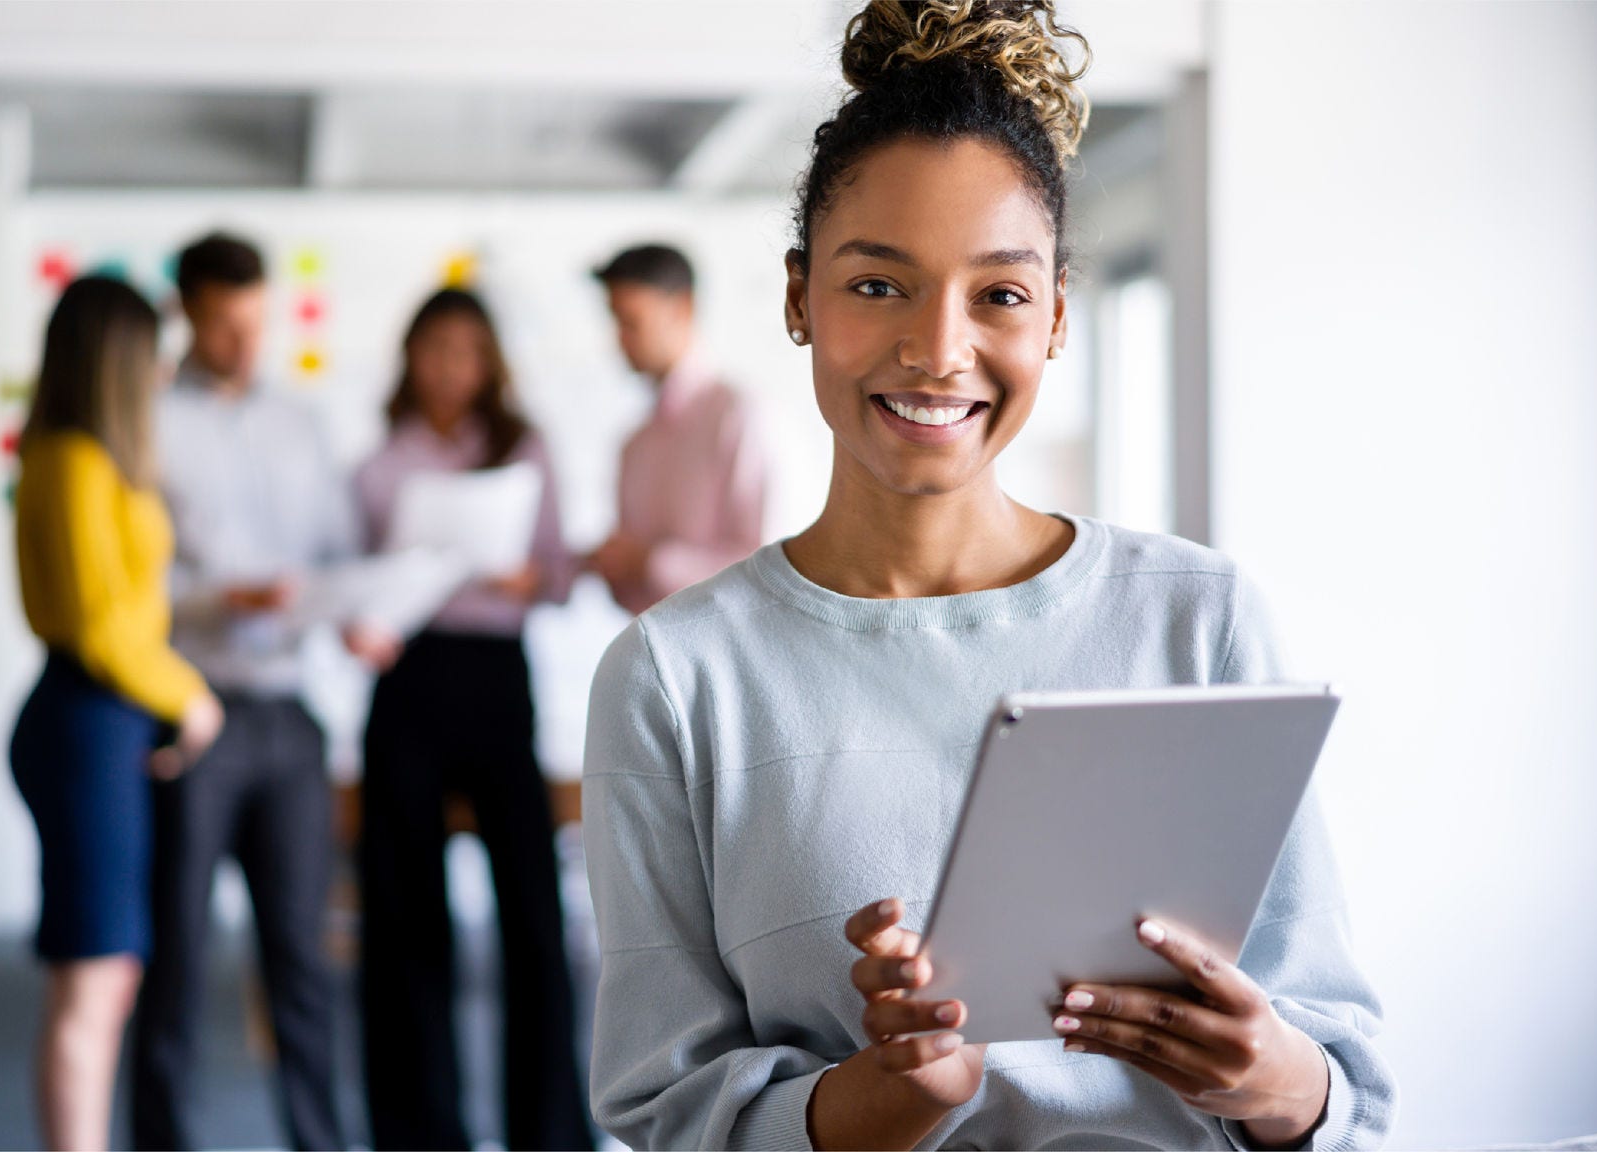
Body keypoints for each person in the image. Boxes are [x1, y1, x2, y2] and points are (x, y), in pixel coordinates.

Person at [580, 2, 1397, 1149]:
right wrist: (887, 1099)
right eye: (876, 285)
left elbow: (1341, 1081)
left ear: (1057, 314)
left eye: (999, 294)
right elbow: (662, 1109)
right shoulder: (675, 677)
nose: (937, 348)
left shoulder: (1195, 620)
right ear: (796, 297)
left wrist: (1270, 1080)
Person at [349, 287, 593, 1150]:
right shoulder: (380, 463)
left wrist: (533, 580)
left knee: (531, 915)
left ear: (489, 362)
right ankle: (418, 1133)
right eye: (435, 348)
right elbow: (352, 582)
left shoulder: (524, 449)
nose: (451, 366)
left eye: (467, 350)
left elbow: (560, 574)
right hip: (408, 682)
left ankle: (551, 1132)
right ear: (410, 357)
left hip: (495, 679)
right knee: (405, 918)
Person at [129, 232, 347, 1152]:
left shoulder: (300, 422)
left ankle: (320, 1143)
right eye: (224, 326)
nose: (244, 343)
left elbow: (335, 551)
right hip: (193, 710)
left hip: (291, 716)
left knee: (301, 959)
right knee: (173, 957)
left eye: (255, 324)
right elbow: (132, 585)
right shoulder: (145, 423)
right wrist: (221, 598)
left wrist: (350, 605)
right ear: (187, 314)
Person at [10, 275, 225, 1152]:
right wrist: (192, 697)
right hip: (86, 719)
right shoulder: (71, 461)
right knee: (91, 984)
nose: (169, 370)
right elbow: (101, 627)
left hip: (109, 723)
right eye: (158, 352)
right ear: (119, 359)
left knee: (110, 979)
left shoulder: (95, 458)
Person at [585, 243, 767, 615]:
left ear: (682, 309)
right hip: (649, 653)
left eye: (631, 321)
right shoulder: (635, 441)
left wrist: (651, 563)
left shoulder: (739, 416)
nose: (618, 339)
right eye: (615, 321)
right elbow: (629, 593)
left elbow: (762, 568)